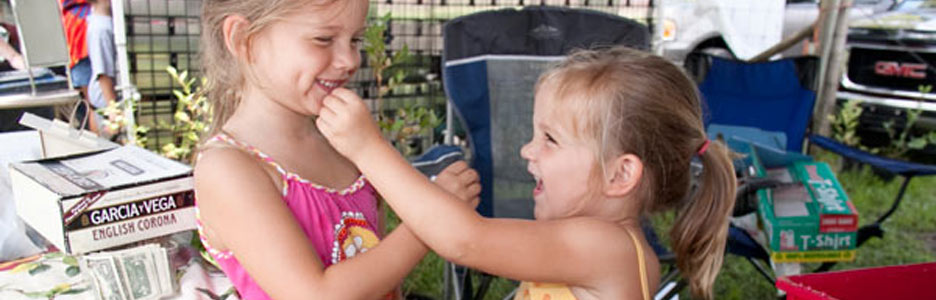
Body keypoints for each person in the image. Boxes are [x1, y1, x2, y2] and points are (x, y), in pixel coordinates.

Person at [316, 46, 738, 300]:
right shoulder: (594, 239)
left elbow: (466, 240)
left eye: (550, 139)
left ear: (620, 175)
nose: (527, 151)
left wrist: (367, 148)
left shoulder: (607, 246)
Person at [192, 0, 480, 299]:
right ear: (243, 39)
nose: (349, 60)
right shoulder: (229, 169)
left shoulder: (346, 143)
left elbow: (381, 273)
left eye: (355, 40)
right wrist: (427, 228)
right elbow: (316, 294)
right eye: (324, 39)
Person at [83, 0, 117, 135]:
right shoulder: (101, 28)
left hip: (104, 101)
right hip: (105, 102)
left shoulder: (101, 22)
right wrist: (113, 110)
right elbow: (102, 74)